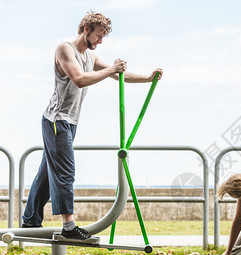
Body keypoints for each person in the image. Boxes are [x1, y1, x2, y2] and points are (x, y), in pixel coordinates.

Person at [21, 11, 163, 240]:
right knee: (65, 173)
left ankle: (29, 221)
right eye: (99, 35)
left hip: (70, 122)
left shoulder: (91, 57)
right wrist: (112, 69)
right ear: (86, 28)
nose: (100, 41)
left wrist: (148, 77)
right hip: (56, 120)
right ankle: (69, 227)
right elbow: (79, 79)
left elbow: (119, 76)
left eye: (103, 37)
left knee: (47, 175)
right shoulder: (64, 49)